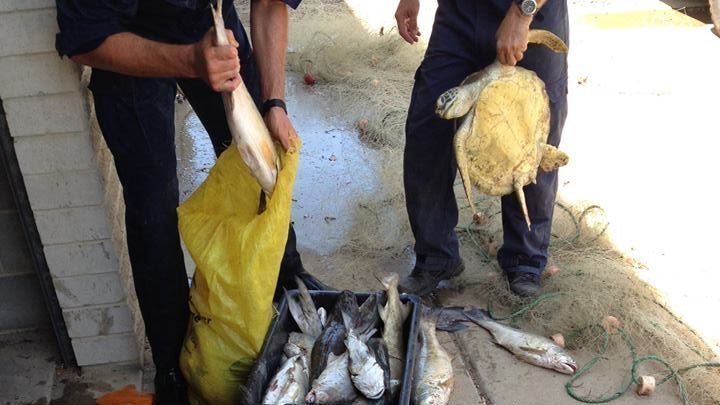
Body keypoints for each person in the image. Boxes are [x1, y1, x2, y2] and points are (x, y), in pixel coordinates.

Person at [54, 0, 329, 403]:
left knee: (260, 166)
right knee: (153, 206)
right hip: (127, 35)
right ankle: (171, 361)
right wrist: (189, 61)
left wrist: (274, 103)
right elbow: (85, 40)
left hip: (208, 22)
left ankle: (287, 276)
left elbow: (270, 4)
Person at [394, 0, 569, 297]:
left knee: (529, 143)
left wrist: (521, 13)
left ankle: (524, 260)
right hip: (460, 14)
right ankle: (436, 256)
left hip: (531, 15)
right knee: (427, 132)